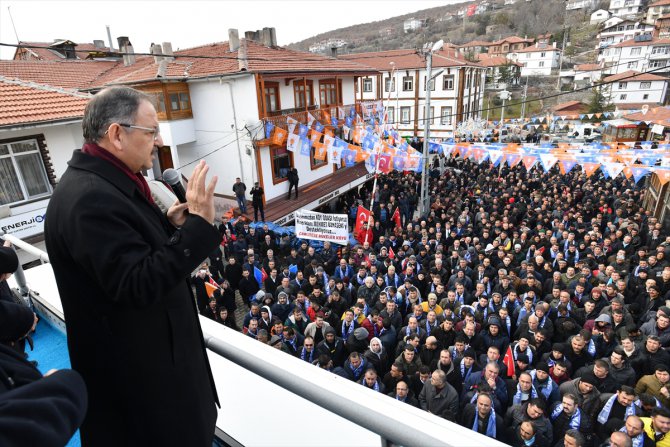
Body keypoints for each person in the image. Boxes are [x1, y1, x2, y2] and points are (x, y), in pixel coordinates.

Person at [44, 86, 220, 446]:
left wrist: (168, 225)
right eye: (151, 131)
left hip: (154, 382)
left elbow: (131, 250)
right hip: (145, 397)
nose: (157, 142)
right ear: (117, 135)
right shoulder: (91, 197)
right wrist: (200, 226)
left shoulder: (105, 182)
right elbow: (137, 284)